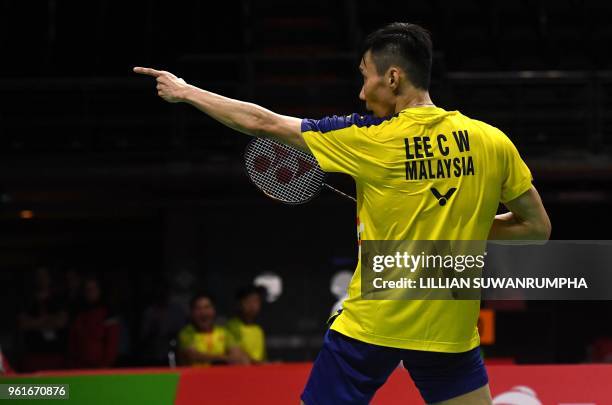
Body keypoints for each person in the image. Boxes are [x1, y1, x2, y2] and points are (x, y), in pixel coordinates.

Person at [134, 22, 551, 405]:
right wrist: (466, 228)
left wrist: (186, 92)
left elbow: (263, 123)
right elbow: (536, 228)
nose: (361, 92)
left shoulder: (369, 138)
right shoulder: (492, 142)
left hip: (371, 327)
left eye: (364, 76)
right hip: (449, 334)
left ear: (393, 77)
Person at [177, 293, 248, 366]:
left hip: (221, 376)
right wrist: (223, 358)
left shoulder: (224, 332)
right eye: (198, 308)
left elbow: (236, 355)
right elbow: (193, 356)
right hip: (193, 376)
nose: (203, 313)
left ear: (214, 310)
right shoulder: (186, 333)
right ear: (192, 313)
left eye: (207, 307)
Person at [67, 276, 120, 369]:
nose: (90, 292)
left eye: (93, 288)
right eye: (87, 289)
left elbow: (112, 344)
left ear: (99, 290)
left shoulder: (108, 313)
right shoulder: (79, 314)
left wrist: (104, 365)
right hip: (78, 367)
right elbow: (73, 341)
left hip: (100, 368)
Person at [226, 286, 266, 364]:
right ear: (239, 304)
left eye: (256, 301)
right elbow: (239, 357)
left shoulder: (258, 330)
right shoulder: (232, 326)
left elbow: (262, 358)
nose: (252, 305)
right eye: (248, 301)